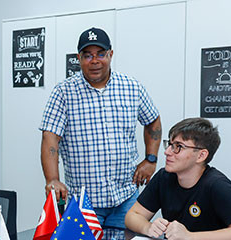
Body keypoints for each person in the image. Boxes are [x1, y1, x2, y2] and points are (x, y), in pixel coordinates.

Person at [40, 27, 162, 229]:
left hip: (126, 198)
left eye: (101, 54)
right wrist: (52, 179)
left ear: (110, 54)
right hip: (84, 203)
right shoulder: (63, 92)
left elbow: (152, 120)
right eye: (88, 55)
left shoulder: (132, 87)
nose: (95, 61)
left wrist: (151, 159)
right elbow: (50, 137)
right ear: (79, 58)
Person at [125, 117, 231, 240]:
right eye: (170, 145)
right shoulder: (164, 177)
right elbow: (132, 216)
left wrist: (189, 237)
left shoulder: (217, 184)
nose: (167, 152)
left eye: (178, 147)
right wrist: (148, 227)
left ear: (201, 155)